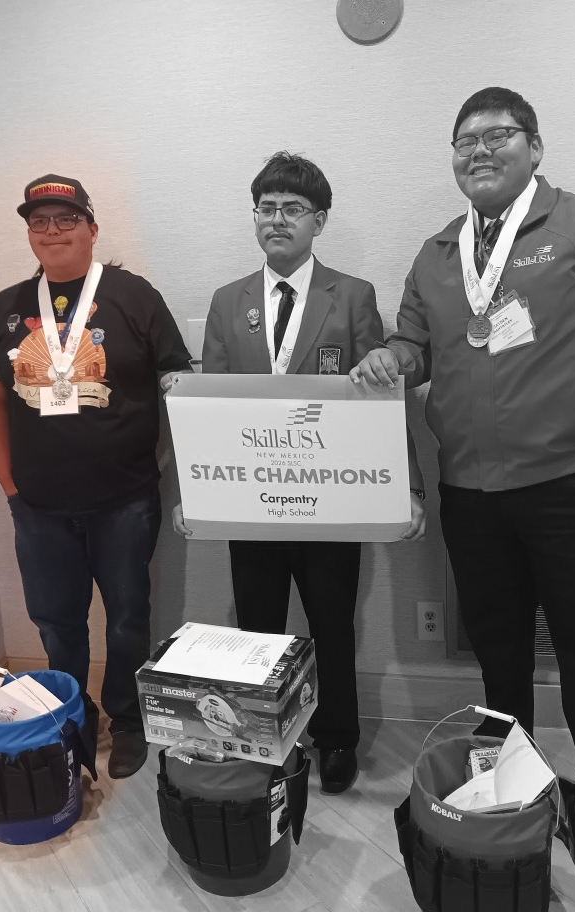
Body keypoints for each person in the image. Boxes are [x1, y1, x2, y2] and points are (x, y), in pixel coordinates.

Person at [352, 87, 575, 868]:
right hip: (470, 492)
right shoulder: (436, 254)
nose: (479, 151)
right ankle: (506, 772)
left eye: (497, 135)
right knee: (495, 649)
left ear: (534, 146)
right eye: (464, 141)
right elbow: (416, 344)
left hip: (571, 485)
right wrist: (392, 357)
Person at [172, 152, 426, 793]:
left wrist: (408, 487)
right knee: (257, 629)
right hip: (251, 504)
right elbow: (212, 413)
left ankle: (337, 738)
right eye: (266, 208)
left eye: (292, 210)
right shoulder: (229, 303)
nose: (277, 220)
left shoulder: (354, 295)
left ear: (319, 221)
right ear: (254, 218)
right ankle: (266, 738)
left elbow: (381, 396)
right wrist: (193, 492)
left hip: (331, 505)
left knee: (333, 624)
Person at [0, 174, 192, 778]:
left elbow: (180, 386)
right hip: (38, 504)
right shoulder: (7, 307)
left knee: (126, 617)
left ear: (92, 229)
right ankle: (74, 720)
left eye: (65, 219)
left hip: (125, 499)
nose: (51, 231)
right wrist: (11, 486)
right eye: (39, 221)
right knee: (57, 622)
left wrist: (165, 468)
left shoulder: (134, 296)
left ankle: (127, 719)